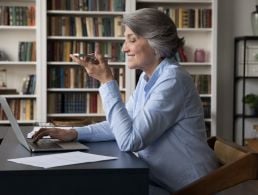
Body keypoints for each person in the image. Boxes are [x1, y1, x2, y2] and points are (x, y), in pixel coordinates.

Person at [33, 8, 219, 195]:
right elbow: (122, 126)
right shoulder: (148, 78)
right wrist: (73, 133)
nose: (124, 48)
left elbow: (129, 140)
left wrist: (107, 82)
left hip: (190, 188)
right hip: (158, 181)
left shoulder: (173, 80)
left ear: (156, 43)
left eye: (132, 39)